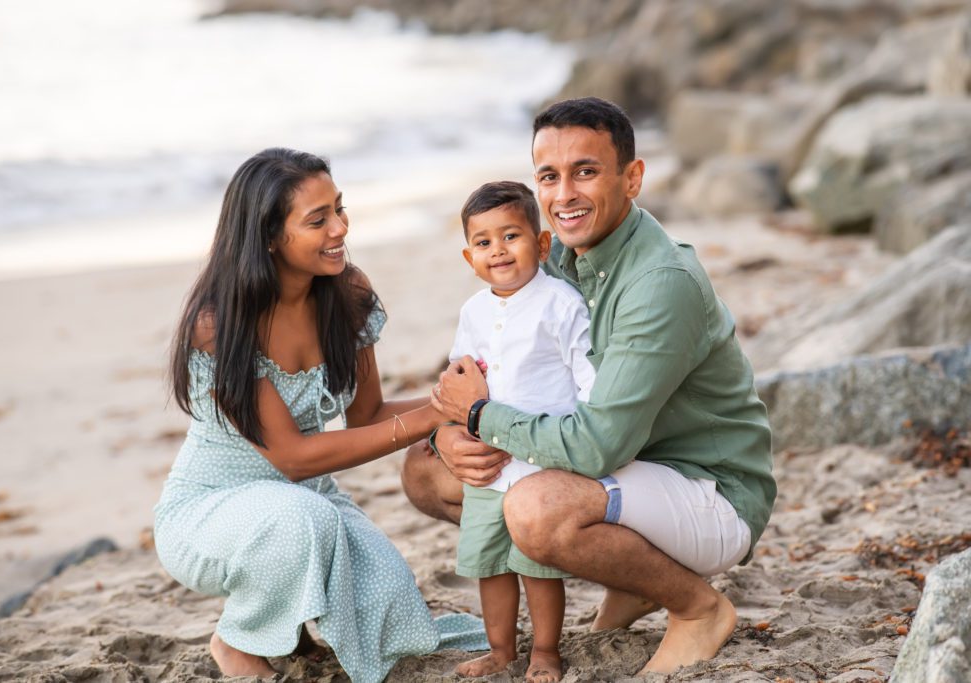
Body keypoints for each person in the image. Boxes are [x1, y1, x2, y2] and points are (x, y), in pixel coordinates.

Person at [411, 97, 777, 674]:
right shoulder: (556, 254)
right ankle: (633, 580)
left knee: (535, 509)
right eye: (548, 177)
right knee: (428, 471)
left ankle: (698, 608)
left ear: (632, 178)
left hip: (707, 489)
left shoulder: (659, 283)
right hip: (633, 473)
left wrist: (480, 417)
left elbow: (597, 447)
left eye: (585, 171)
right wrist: (450, 435)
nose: (564, 195)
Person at [153, 148, 487, 683]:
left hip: (308, 505)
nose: (340, 228)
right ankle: (236, 641)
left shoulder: (347, 292)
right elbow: (293, 459)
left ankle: (289, 628)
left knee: (398, 613)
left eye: (339, 208)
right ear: (268, 236)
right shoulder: (219, 324)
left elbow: (368, 414)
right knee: (302, 520)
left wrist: (458, 408)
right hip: (210, 513)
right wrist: (432, 416)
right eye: (318, 220)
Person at [449, 181, 595, 683]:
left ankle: (546, 652)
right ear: (470, 257)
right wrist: (452, 431)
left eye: (511, 236)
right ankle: (501, 650)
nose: (498, 250)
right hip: (489, 467)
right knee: (490, 563)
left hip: (541, 463)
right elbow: (459, 376)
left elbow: (588, 378)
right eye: (484, 242)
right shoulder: (473, 311)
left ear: (542, 243)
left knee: (536, 566)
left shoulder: (560, 303)